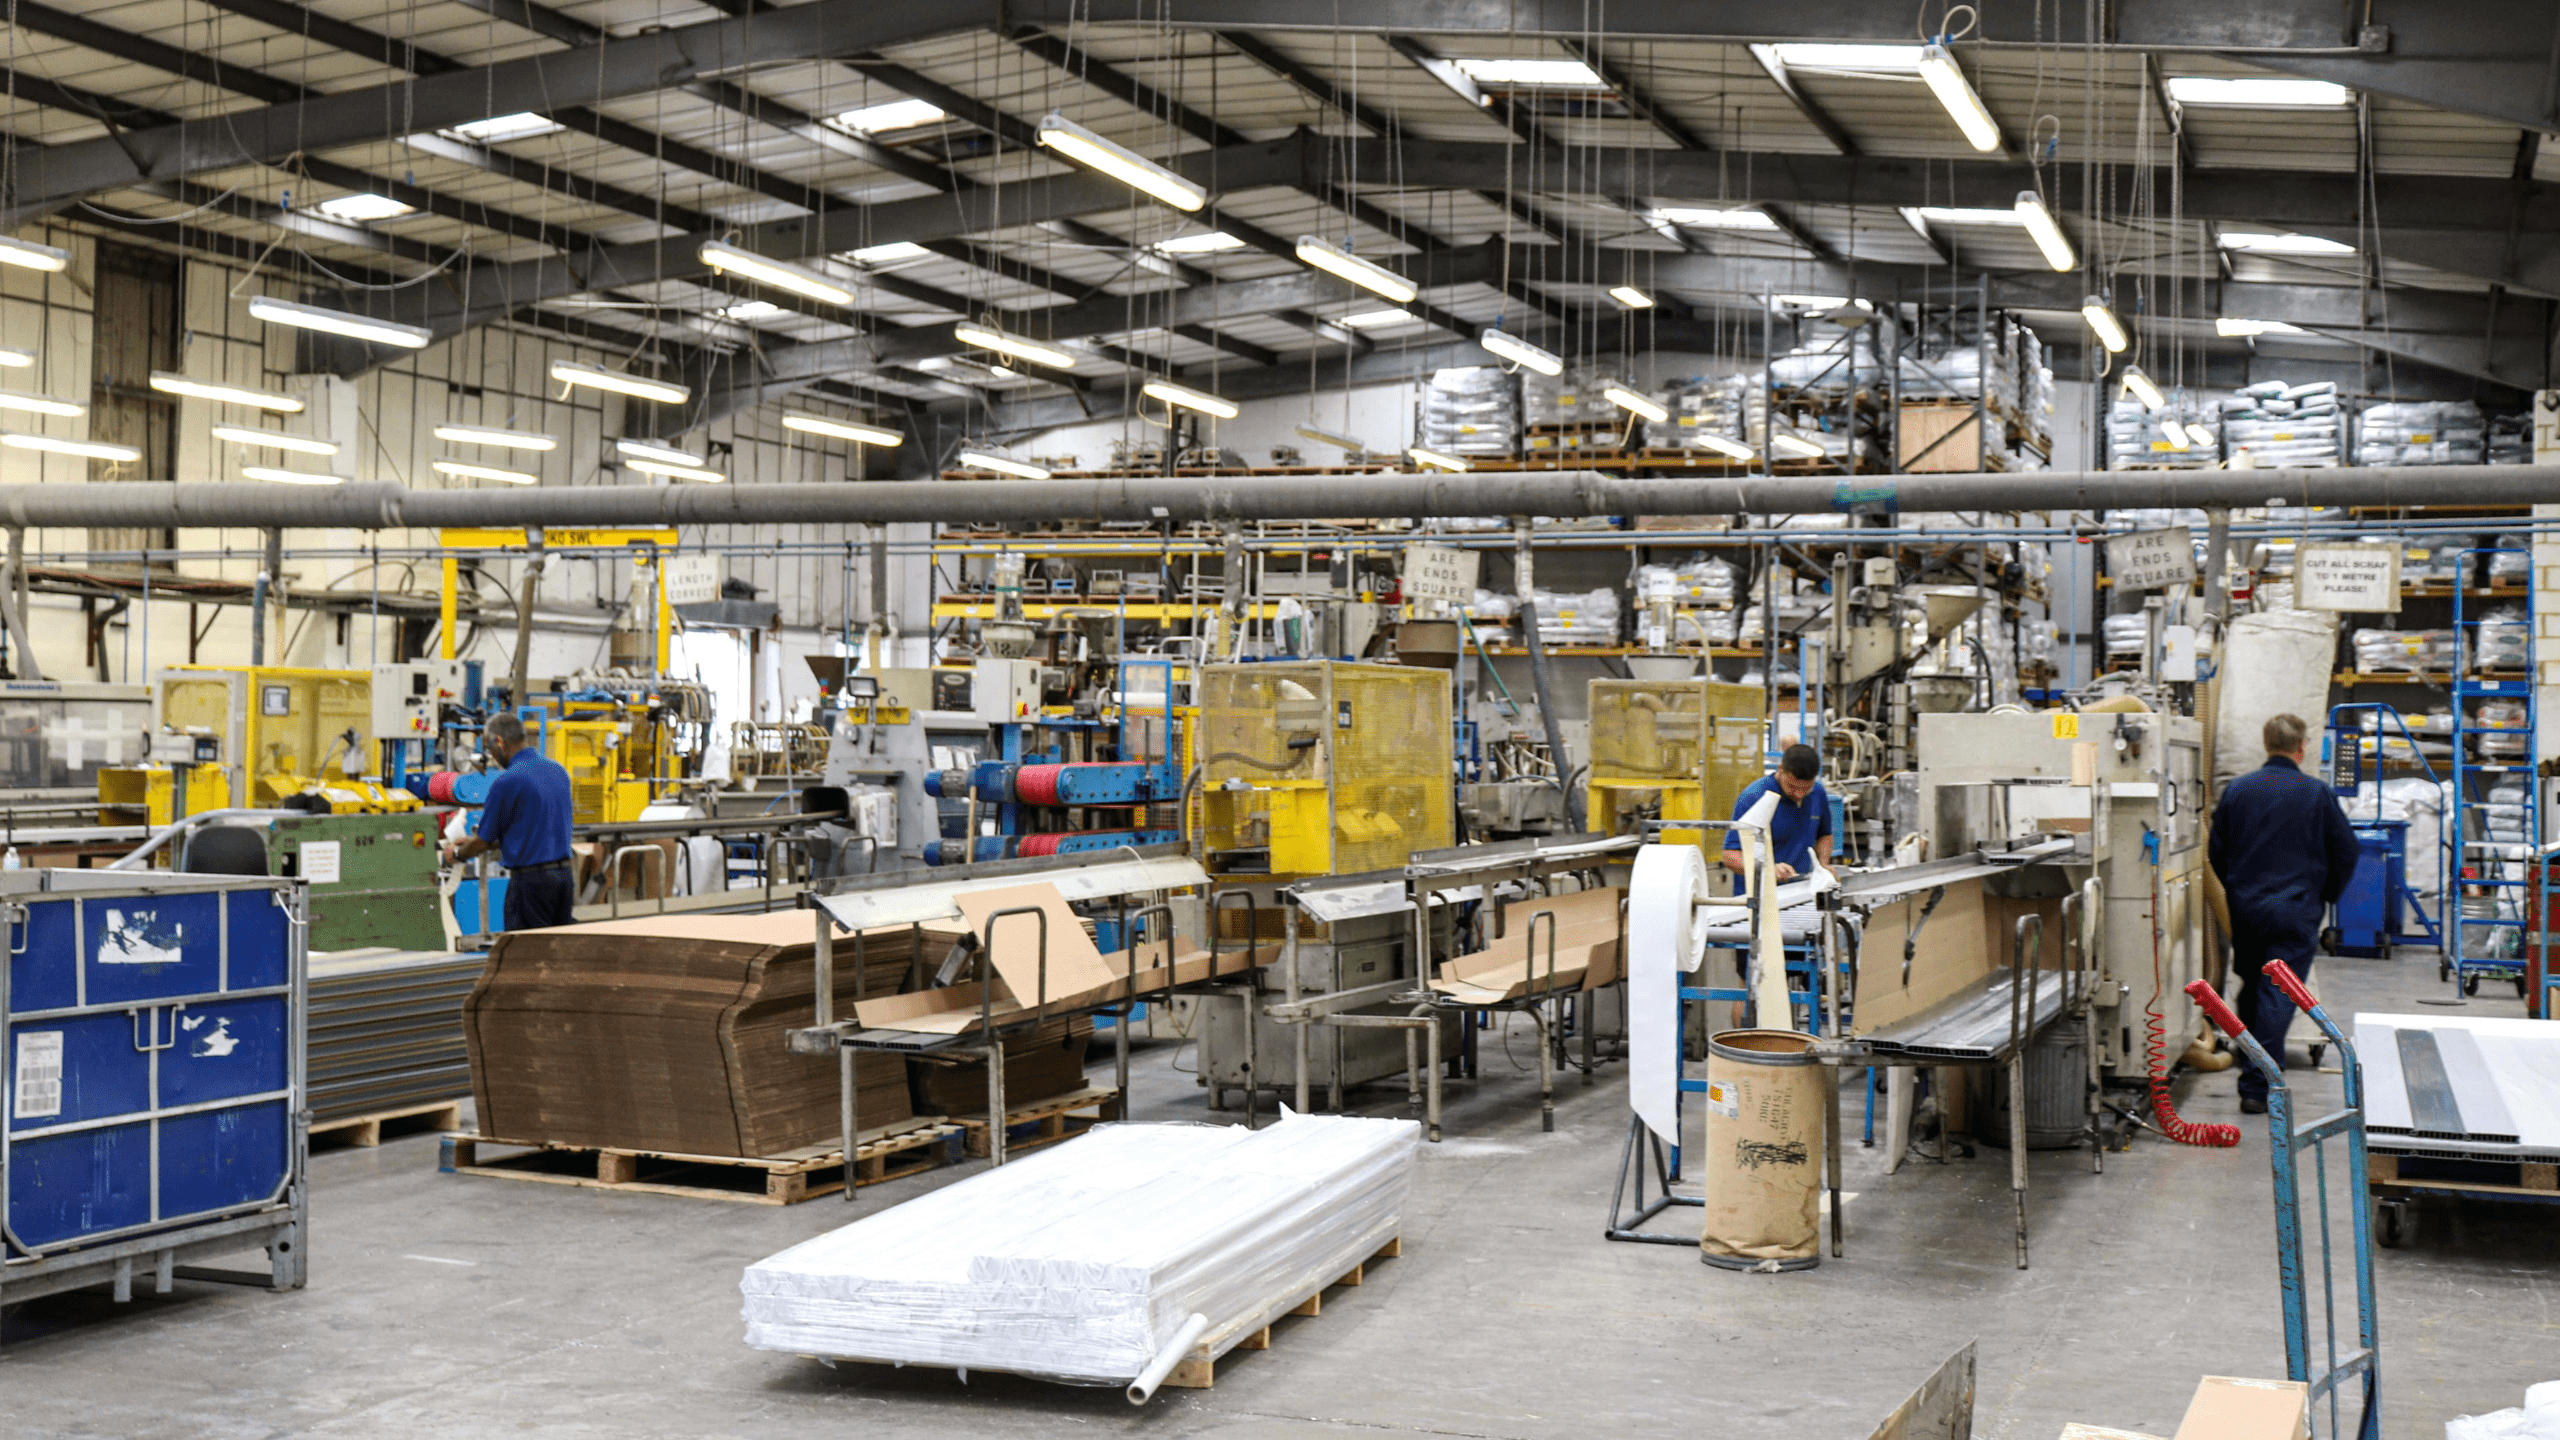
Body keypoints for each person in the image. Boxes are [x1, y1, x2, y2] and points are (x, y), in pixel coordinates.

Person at [2208, 712, 2360, 1114]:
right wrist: (2324, 894)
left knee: (2250, 984)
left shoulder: (2238, 791)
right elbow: (2347, 850)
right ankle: (2258, 1086)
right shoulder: (2316, 793)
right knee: (2278, 994)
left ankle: (2252, 1063)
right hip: (2296, 909)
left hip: (2247, 909)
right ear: (2302, 746)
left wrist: (2238, 890)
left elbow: (2216, 851)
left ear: (2266, 743)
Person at [447, 710, 577, 932]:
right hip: (564, 880)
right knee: (557, 953)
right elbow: (530, 831)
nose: (493, 757)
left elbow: (484, 841)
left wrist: (458, 854)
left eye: (489, 749)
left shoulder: (507, 781)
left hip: (531, 885)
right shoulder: (558, 772)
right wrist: (476, 840)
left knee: (525, 958)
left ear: (500, 742)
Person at [1722, 743, 1833, 882]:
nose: (1799, 794)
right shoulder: (1754, 797)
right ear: (1781, 769)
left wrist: (1823, 865)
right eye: (1792, 787)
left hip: (1799, 890)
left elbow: (1824, 835)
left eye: (1806, 789)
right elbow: (1730, 855)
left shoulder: (1818, 792)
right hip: (1758, 895)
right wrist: (1767, 869)